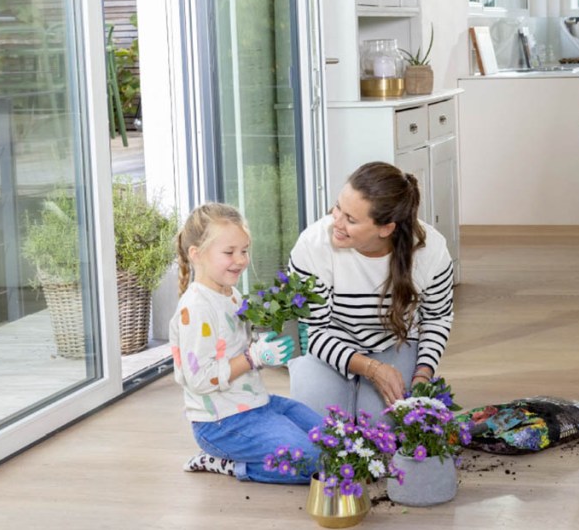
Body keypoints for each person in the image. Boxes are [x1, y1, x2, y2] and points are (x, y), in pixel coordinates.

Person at [287, 161, 454, 423]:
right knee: (320, 426)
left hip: (393, 343)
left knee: (381, 426)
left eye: (351, 219)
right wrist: (371, 370)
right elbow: (312, 332)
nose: (336, 222)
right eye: (338, 207)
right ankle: (343, 386)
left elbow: (437, 318)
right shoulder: (312, 245)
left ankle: (358, 394)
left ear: (386, 228)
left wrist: (422, 375)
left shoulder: (431, 251)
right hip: (329, 344)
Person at [169, 203, 322, 483]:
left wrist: (266, 349)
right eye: (229, 252)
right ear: (196, 255)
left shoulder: (230, 294)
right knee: (311, 461)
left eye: (244, 250)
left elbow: (237, 347)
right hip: (221, 423)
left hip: (255, 403)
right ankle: (227, 464)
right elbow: (200, 380)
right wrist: (253, 357)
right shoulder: (196, 308)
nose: (240, 260)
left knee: (333, 439)